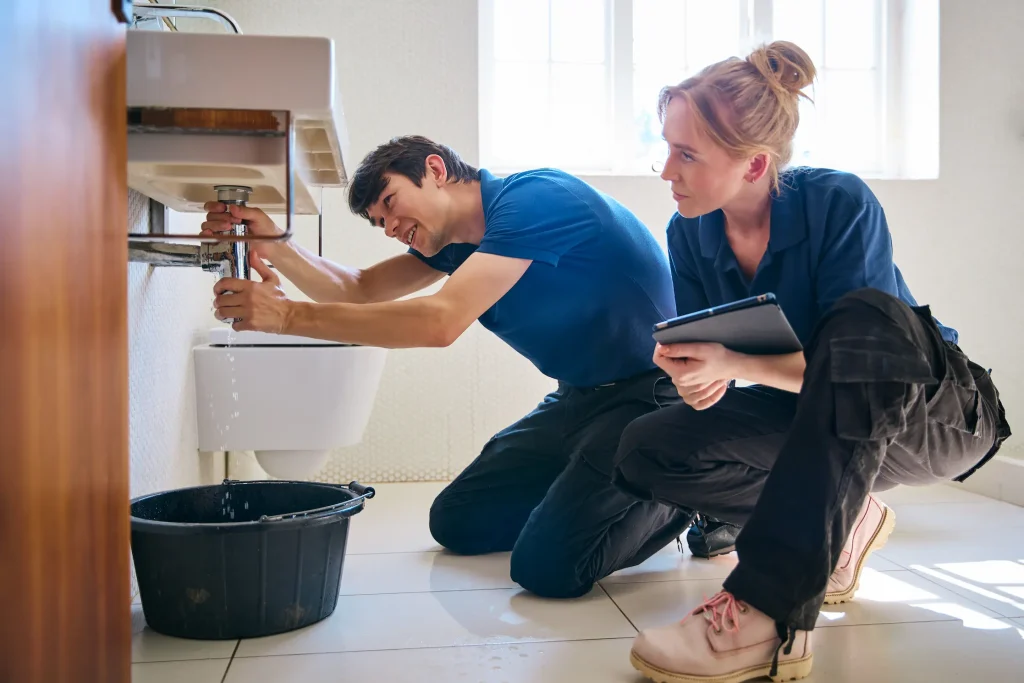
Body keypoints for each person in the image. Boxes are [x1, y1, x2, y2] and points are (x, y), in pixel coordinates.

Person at [612, 41, 1012, 682]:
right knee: (644, 447)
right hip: (813, 425)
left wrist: (731, 361)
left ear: (753, 166)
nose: (667, 171)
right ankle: (843, 514)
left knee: (864, 322)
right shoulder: (688, 231)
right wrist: (697, 376)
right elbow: (712, 349)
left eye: (687, 154)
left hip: (932, 412)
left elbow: (864, 361)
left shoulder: (839, 203)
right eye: (667, 147)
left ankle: (769, 612)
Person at [199, 135, 732, 598]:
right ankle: (591, 490)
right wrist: (274, 243)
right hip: (582, 396)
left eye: (392, 203)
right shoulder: (458, 245)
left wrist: (286, 315)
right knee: (457, 521)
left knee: (549, 569)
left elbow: (440, 323)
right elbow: (360, 289)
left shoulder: (536, 199)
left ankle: (693, 493)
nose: (390, 227)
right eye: (381, 222)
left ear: (434, 169)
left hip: (656, 396)